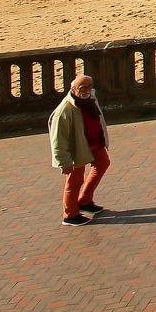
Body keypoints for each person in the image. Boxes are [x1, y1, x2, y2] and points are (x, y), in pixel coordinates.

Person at [48, 74, 110, 226]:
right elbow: (58, 139)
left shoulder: (90, 100)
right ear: (73, 89)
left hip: (95, 144)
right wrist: (64, 162)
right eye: (82, 88)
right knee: (75, 181)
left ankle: (85, 200)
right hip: (77, 149)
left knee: (103, 163)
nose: (87, 91)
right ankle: (70, 214)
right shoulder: (64, 110)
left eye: (89, 87)